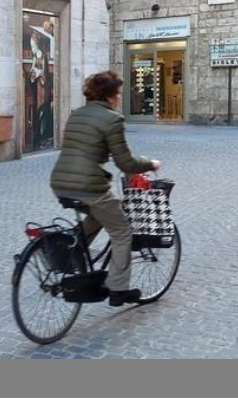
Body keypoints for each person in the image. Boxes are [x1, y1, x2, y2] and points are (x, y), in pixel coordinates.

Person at [50, 70, 160, 307]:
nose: (119, 98)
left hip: (60, 182)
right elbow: (125, 162)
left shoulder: (76, 114)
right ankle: (118, 290)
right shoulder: (112, 119)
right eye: (118, 93)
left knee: (103, 212)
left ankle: (73, 251)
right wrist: (150, 164)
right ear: (111, 96)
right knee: (122, 232)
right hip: (88, 184)